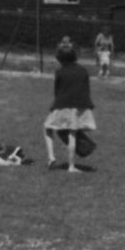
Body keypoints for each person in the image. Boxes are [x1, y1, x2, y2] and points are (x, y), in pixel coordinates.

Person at [43, 42, 97, 173]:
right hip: (80, 105)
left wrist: (54, 106)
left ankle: (52, 159)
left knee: (47, 128)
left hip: (63, 104)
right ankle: (71, 166)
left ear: (59, 58)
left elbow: (58, 91)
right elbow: (85, 89)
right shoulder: (83, 71)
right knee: (72, 133)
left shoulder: (60, 72)